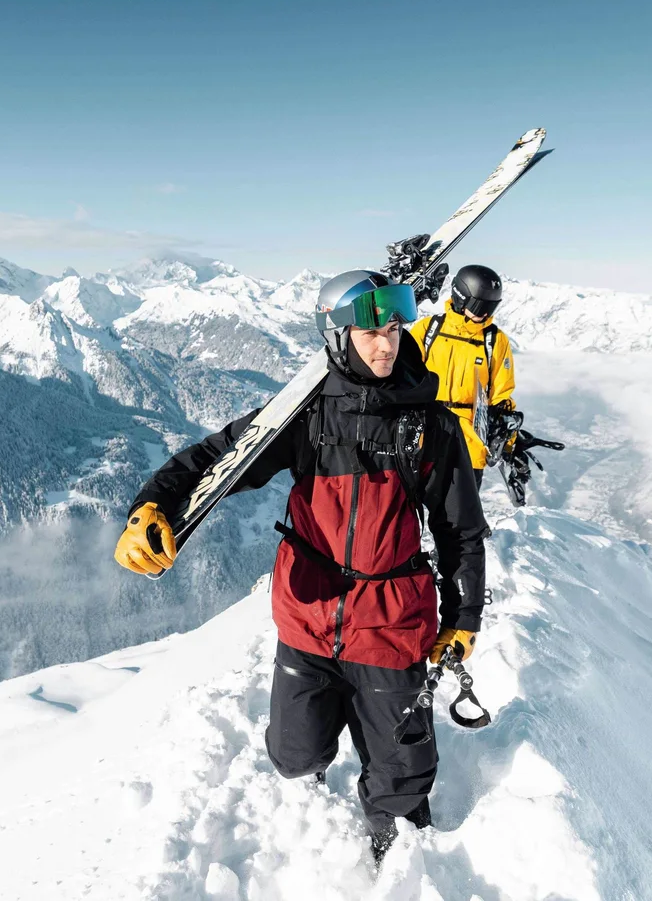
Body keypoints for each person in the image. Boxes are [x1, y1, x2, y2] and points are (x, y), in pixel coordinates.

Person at [113, 270, 488, 862]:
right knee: (294, 757)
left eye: (394, 327)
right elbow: (215, 458)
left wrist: (464, 616)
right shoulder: (303, 416)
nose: (386, 343)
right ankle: (320, 764)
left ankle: (396, 861)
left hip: (390, 625)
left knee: (401, 782)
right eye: (368, 332)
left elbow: (460, 532)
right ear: (337, 338)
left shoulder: (430, 428)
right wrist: (151, 505)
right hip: (307, 618)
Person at [407, 265, 516, 486]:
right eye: (479, 305)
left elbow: (502, 393)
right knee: (410, 511)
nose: (484, 313)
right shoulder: (428, 329)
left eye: (490, 307)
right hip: (425, 434)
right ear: (461, 297)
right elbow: (403, 376)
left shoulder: (494, 340)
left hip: (470, 442)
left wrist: (508, 439)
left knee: (461, 517)